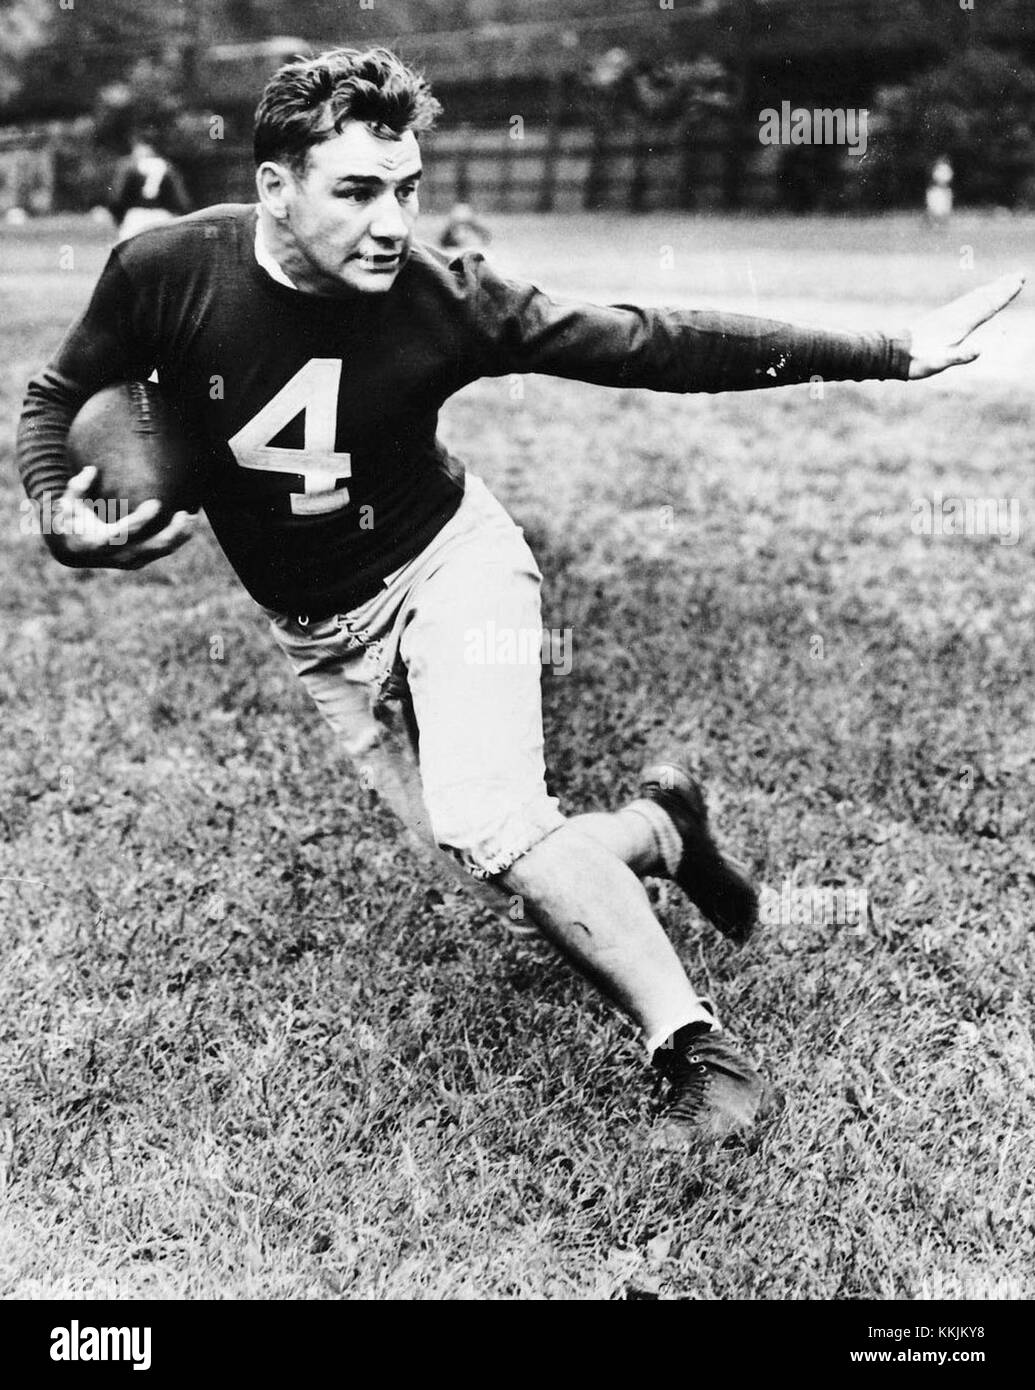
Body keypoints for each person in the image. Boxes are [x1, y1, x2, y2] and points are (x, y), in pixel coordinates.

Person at [16, 49, 1023, 1149]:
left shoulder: (442, 297)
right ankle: (658, 830)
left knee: (490, 816)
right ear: (275, 188)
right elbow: (58, 394)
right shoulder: (166, 269)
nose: (393, 220)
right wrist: (60, 514)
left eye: (406, 187)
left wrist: (889, 348)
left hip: (452, 570)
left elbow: (655, 339)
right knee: (501, 857)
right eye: (356, 191)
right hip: (318, 635)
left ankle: (702, 1057)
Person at [109, 129, 192, 242]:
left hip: (135, 217)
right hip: (162, 217)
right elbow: (181, 201)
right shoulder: (167, 167)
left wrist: (118, 220)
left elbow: (117, 198)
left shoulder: (129, 166)